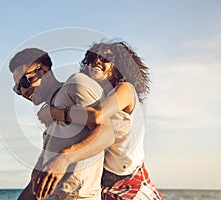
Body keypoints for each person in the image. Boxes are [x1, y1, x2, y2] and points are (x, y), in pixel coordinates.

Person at [36, 41, 164, 199]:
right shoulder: (91, 96)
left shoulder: (126, 89)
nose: (97, 62)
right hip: (103, 186)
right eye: (92, 59)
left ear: (119, 67)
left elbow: (97, 115)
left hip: (129, 181)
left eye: (106, 59)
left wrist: (55, 113)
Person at [9, 48, 115, 200]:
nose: (24, 91)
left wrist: (64, 158)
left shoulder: (75, 83)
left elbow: (107, 133)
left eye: (25, 81)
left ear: (44, 71)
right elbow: (40, 180)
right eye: (18, 89)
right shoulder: (50, 116)